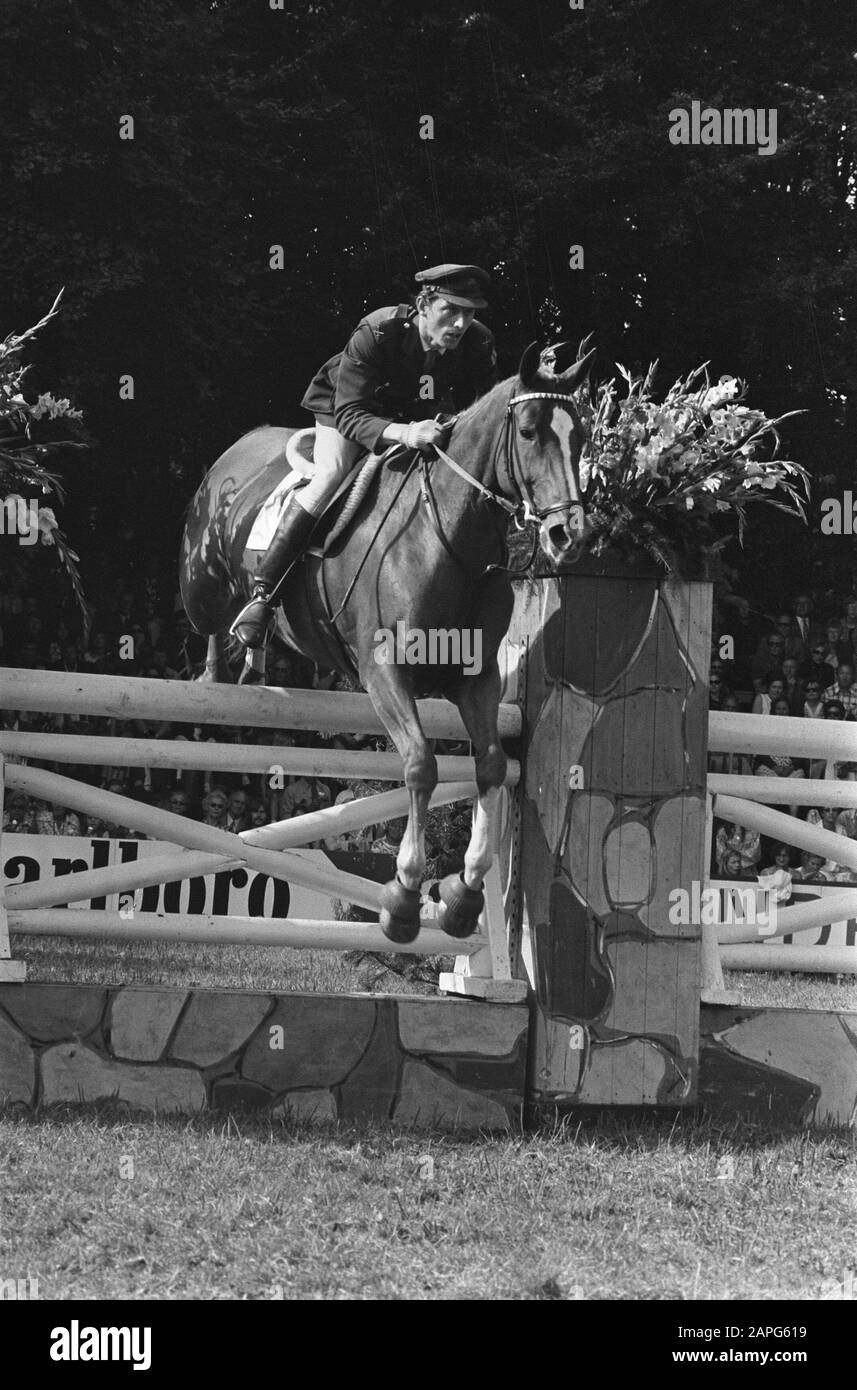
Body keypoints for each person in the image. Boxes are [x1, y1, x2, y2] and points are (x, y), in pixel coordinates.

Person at [231, 264, 498, 648]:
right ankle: (263, 595)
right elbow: (352, 415)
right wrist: (406, 433)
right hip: (347, 408)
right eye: (450, 311)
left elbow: (484, 411)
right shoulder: (377, 331)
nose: (460, 323)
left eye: (469, 313)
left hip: (415, 413)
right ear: (423, 305)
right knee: (332, 473)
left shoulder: (478, 343)